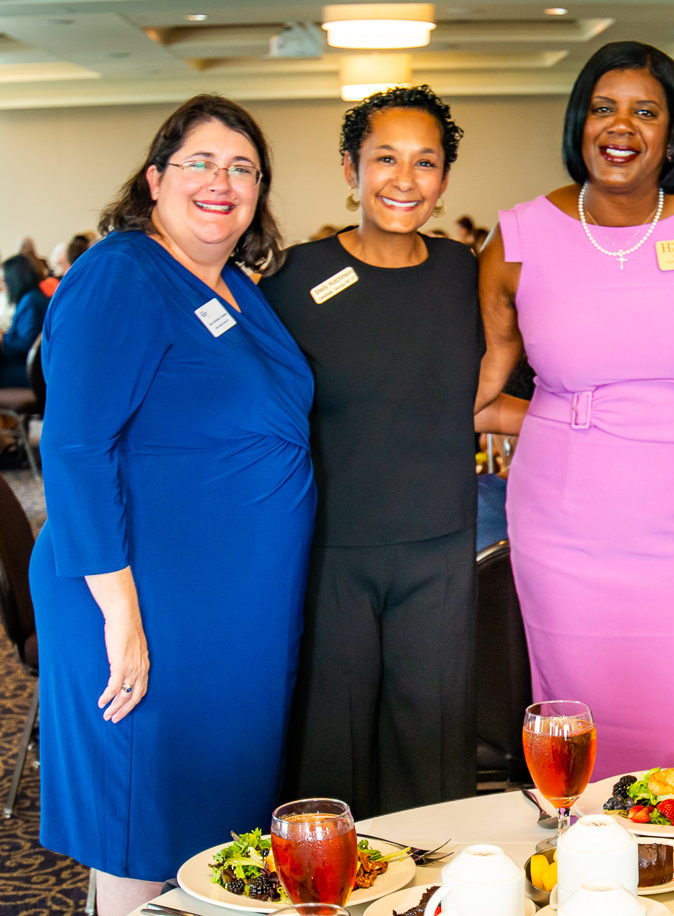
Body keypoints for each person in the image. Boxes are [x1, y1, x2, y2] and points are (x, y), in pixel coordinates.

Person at [28, 94, 313, 916]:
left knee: (204, 827)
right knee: (141, 823)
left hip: (224, 613)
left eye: (242, 168)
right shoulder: (123, 272)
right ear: (155, 178)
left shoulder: (234, 285)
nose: (222, 181)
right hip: (142, 596)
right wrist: (121, 614)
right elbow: (76, 448)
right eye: (201, 162)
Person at [476, 40, 674, 778]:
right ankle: (580, 848)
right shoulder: (518, 237)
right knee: (574, 727)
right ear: (579, 124)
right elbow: (477, 392)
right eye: (604, 108)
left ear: (673, 134)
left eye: (645, 112)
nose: (622, 126)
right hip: (562, 522)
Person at [259, 85, 482, 816]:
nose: (404, 179)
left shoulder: (464, 272)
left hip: (440, 548)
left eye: (426, 161)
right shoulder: (291, 279)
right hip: (330, 548)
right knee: (330, 745)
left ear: (444, 178)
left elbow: (492, 391)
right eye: (385, 158)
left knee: (433, 746)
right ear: (350, 169)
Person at [0, 255, 48, 386]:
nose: (3, 286)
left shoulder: (30, 302)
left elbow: (26, 344)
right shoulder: (33, 297)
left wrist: (2, 339)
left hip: (27, 370)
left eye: (5, 281)